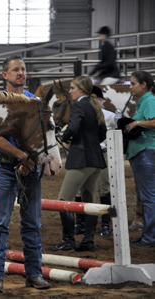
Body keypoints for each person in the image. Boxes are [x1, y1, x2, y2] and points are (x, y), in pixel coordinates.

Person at [0, 56, 51, 293]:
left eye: (23, 69)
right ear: (5, 75)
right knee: (0, 224)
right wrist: (22, 156)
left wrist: (30, 159)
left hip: (30, 169)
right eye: (15, 70)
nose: (20, 73)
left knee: (32, 224)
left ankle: (34, 273)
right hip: (6, 168)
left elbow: (42, 138)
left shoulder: (34, 102)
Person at [47, 76, 106, 252]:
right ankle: (88, 240)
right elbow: (102, 132)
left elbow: (72, 127)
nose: (70, 91)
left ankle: (68, 240)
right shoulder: (95, 105)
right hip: (96, 159)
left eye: (73, 88)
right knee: (89, 201)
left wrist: (65, 138)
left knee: (63, 200)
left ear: (81, 89)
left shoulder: (79, 105)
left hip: (81, 159)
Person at [74, 86, 116, 237]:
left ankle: (106, 223)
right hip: (85, 153)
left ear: (101, 100)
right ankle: (80, 222)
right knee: (80, 188)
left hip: (103, 153)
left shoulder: (110, 116)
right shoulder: (81, 113)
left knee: (104, 187)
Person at [124, 70, 155, 247]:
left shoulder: (150, 100)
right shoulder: (143, 101)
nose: (131, 87)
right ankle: (148, 234)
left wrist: (136, 123)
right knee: (147, 195)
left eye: (133, 83)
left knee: (148, 196)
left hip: (146, 152)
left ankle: (150, 237)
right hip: (143, 152)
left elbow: (154, 122)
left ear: (143, 85)